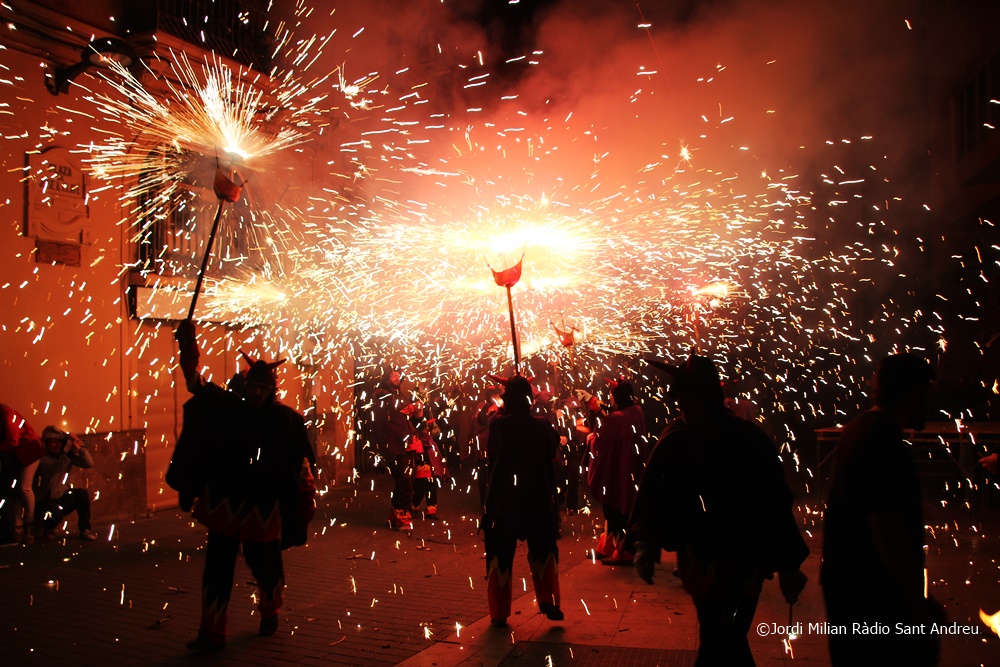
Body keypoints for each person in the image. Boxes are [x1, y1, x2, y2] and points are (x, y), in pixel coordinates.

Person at [630, 354, 808, 667]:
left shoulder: (749, 442)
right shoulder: (676, 440)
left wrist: (789, 563)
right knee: (723, 638)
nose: (680, 403)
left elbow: (774, 503)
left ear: (704, 398)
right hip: (700, 562)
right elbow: (652, 492)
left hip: (744, 563)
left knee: (722, 641)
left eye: (686, 396)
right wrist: (645, 543)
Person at [173, 321, 315, 652]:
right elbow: (195, 384)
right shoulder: (229, 409)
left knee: (265, 565)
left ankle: (270, 608)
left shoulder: (286, 420)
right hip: (226, 500)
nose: (254, 393)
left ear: (271, 390)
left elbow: (301, 467)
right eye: (251, 386)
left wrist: (303, 505)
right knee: (216, 570)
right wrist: (188, 346)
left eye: (261, 389)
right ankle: (212, 632)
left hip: (264, 506)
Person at [821, 353, 944, 666]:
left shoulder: (858, 429)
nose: (930, 403)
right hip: (875, 599)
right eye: (928, 392)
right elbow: (884, 525)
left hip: (851, 591)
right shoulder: (884, 440)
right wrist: (915, 601)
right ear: (914, 392)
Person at [482, 374, 564, 627]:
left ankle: (498, 612)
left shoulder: (498, 424)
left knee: (499, 555)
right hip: (536, 497)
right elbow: (552, 449)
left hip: (503, 499)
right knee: (543, 550)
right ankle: (548, 600)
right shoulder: (541, 424)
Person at [587, 378, 648, 565]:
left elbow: (600, 440)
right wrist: (601, 409)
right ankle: (609, 546)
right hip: (629, 466)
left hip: (618, 470)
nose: (610, 398)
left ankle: (624, 552)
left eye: (612, 396)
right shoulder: (635, 411)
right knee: (618, 509)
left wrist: (591, 439)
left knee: (615, 509)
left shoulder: (616, 419)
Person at [372, 367, 418, 531]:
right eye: (392, 375)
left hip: (403, 443)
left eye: (398, 375)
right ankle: (401, 517)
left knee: (404, 480)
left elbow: (404, 414)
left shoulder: (400, 394)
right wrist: (403, 412)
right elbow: (385, 417)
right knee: (404, 480)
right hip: (392, 445)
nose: (396, 378)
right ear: (386, 378)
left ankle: (394, 516)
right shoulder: (382, 394)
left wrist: (413, 411)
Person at [33, 427, 96, 541]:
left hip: (62, 496)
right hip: (45, 502)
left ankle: (85, 530)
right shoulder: (41, 457)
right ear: (46, 442)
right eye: (53, 442)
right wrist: (70, 454)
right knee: (55, 513)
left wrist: (78, 444)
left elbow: (89, 463)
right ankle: (47, 527)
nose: (57, 446)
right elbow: (53, 467)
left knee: (81, 494)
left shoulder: (65, 455)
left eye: (59, 442)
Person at [0, 403, 45, 546]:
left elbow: (13, 440)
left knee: (25, 488)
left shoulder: (8, 415)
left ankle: (29, 525)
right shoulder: (6, 414)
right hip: (18, 454)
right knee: (16, 489)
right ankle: (18, 525)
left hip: (29, 451)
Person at [409, 417, 445, 520]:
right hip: (420, 470)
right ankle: (413, 507)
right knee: (419, 490)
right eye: (424, 429)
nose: (426, 431)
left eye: (427, 429)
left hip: (430, 470)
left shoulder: (431, 442)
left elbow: (436, 456)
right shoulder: (417, 441)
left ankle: (431, 511)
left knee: (432, 490)